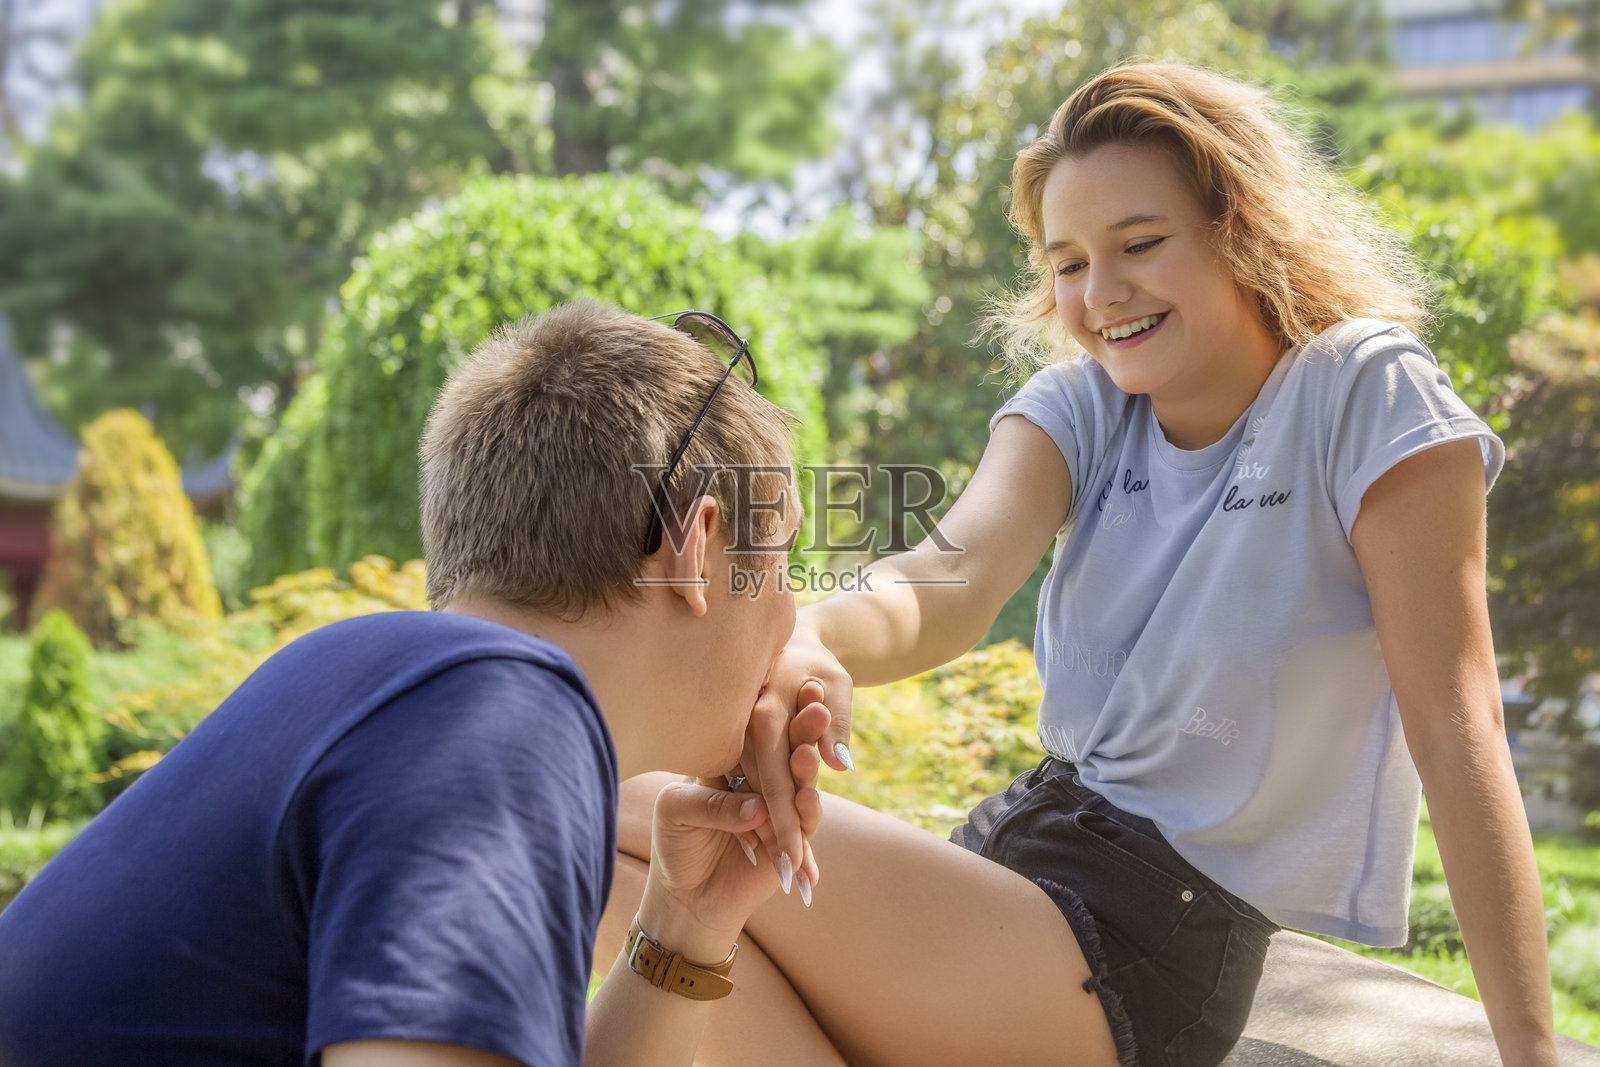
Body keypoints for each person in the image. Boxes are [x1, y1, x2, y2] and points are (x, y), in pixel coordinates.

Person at [601, 64, 1559, 1066]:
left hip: (1148, 935)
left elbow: (1457, 726)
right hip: (1014, 860)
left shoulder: (1361, 389)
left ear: (1242, 227)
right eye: (1068, 263)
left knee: (607, 804)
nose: (1100, 295)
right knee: (640, 850)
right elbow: (946, 579)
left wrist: (1531, 1052)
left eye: (1139, 245)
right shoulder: (1083, 405)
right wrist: (802, 637)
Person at [0, 300, 823, 1067]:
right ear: (697, 549)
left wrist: (686, 922)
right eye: (779, 559)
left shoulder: (382, 684)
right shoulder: (501, 715)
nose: (790, 618)